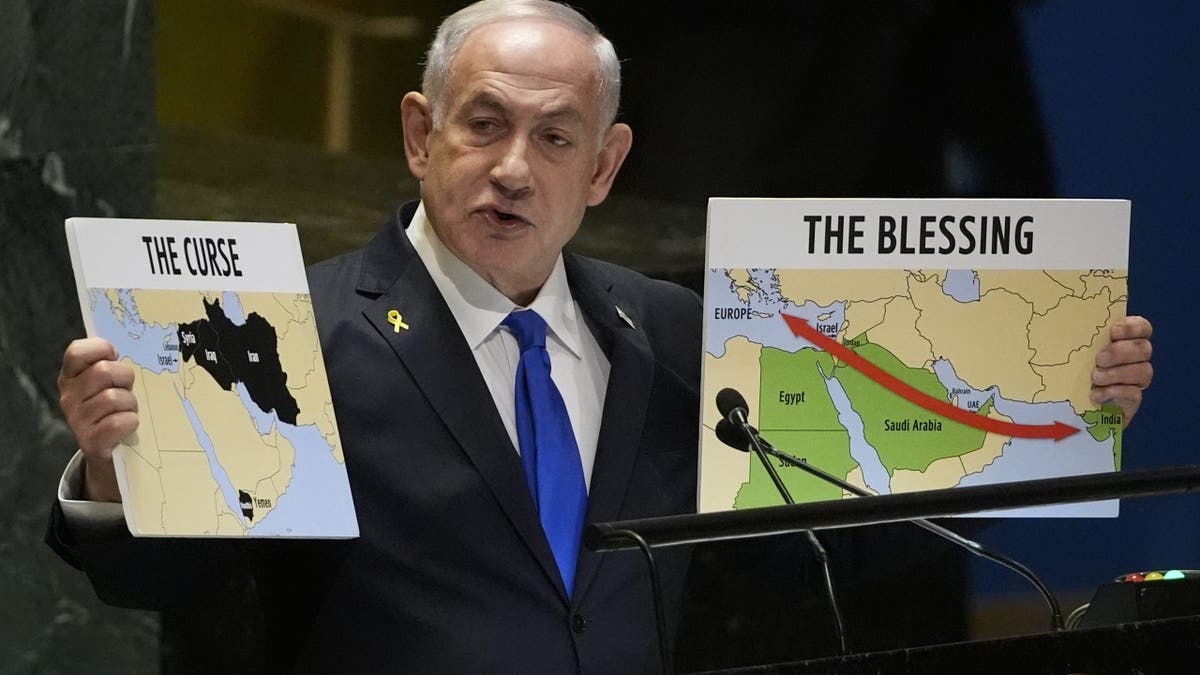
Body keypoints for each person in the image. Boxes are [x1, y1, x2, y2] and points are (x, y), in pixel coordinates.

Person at [47, 1, 1154, 672]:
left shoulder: (666, 333)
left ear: (606, 168)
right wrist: (110, 463)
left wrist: (1049, 421)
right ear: (421, 136)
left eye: (555, 136)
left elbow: (812, 535)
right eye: (484, 124)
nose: (516, 166)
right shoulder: (309, 330)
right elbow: (183, 587)